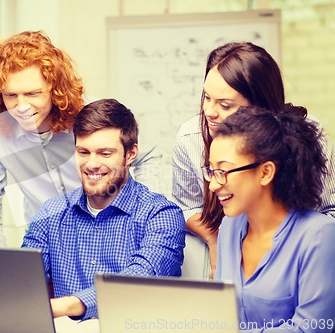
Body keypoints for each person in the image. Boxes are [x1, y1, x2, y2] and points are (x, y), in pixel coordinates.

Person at [0, 30, 161, 246]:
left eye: (33, 94)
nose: (21, 106)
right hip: (46, 240)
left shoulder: (92, 112)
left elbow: (149, 156)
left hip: (109, 231)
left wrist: (142, 215)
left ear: (55, 89)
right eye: (10, 95)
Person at [171, 41, 335, 277]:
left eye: (225, 105)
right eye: (207, 97)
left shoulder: (308, 135)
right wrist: (218, 241)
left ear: (260, 107)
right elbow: (186, 206)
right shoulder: (191, 137)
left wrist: (288, 254)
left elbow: (329, 209)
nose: (209, 112)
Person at [21, 98, 186, 320]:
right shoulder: (51, 213)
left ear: (130, 154)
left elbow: (140, 280)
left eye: (105, 153)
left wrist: (69, 306)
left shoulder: (161, 215)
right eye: (83, 152)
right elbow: (24, 279)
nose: (91, 164)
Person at [207, 105, 335, 332]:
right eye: (211, 170)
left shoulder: (320, 236)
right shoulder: (230, 226)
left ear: (265, 172)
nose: (214, 184)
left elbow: (311, 328)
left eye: (223, 171)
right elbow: (221, 315)